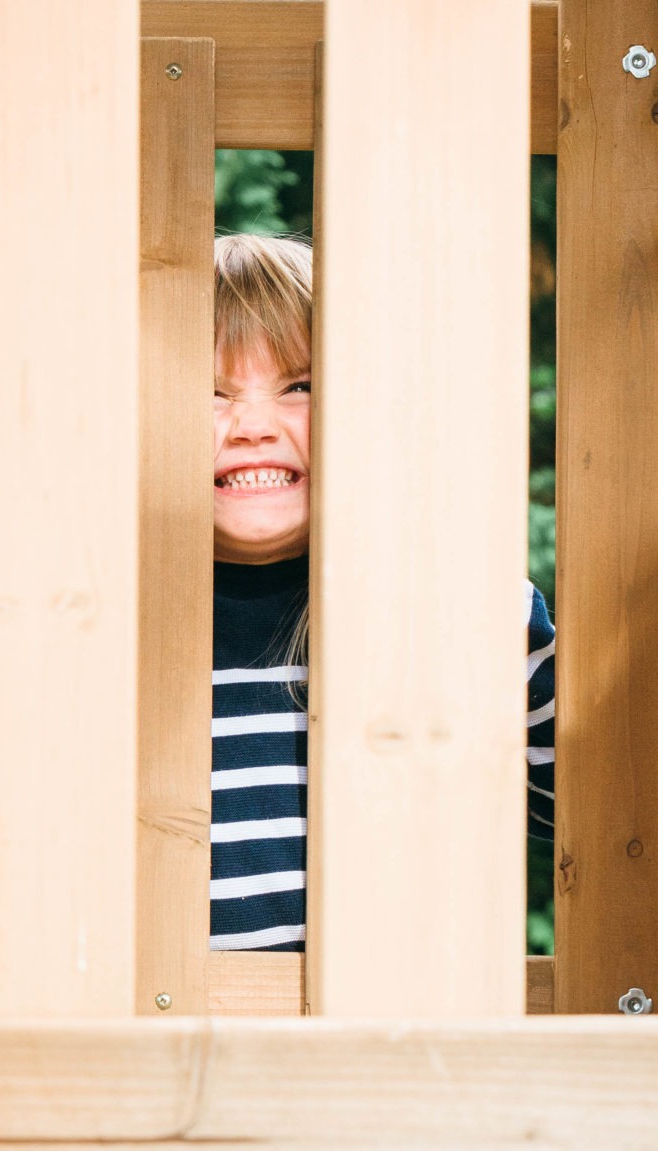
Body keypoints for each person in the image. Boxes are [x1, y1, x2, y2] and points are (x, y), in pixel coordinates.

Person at [210, 233, 555, 953]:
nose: (250, 427)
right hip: (144, 1053)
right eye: (206, 392)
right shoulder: (92, 631)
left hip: (392, 1055)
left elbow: (606, 826)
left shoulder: (458, 615)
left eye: (299, 386)